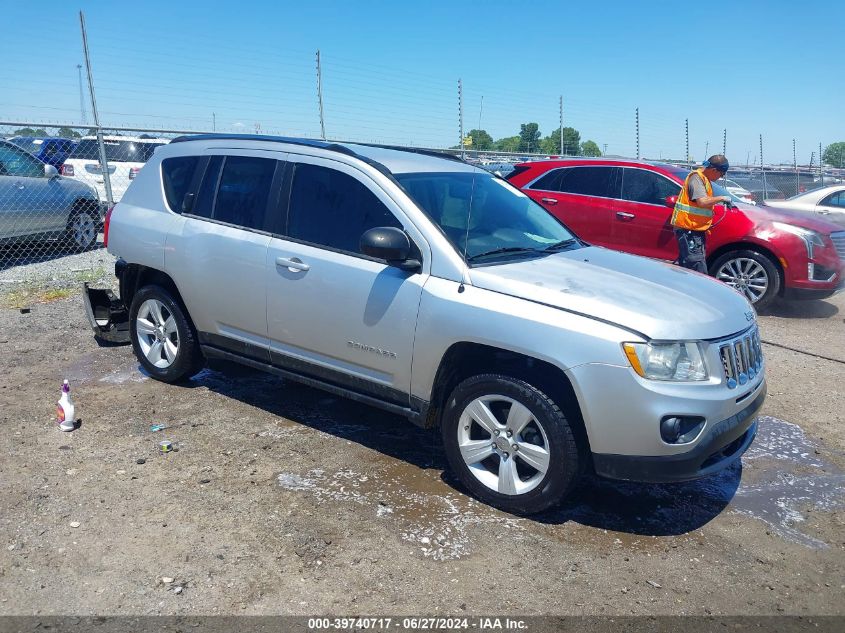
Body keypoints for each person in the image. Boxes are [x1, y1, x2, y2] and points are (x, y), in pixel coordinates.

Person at [671, 155, 732, 273]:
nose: (721, 177)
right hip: (689, 231)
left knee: (688, 269)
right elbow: (702, 202)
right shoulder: (697, 178)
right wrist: (722, 198)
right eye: (721, 174)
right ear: (714, 170)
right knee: (698, 270)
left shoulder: (704, 179)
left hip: (693, 230)